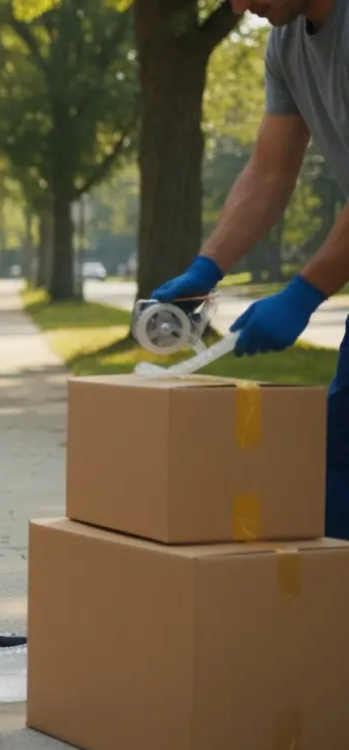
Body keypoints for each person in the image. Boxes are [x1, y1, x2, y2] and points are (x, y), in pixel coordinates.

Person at [150, 0, 348, 535]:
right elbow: (269, 170)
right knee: (340, 454)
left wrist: (305, 292)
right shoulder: (285, 45)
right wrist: (206, 268)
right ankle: (324, 611)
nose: (238, 6)